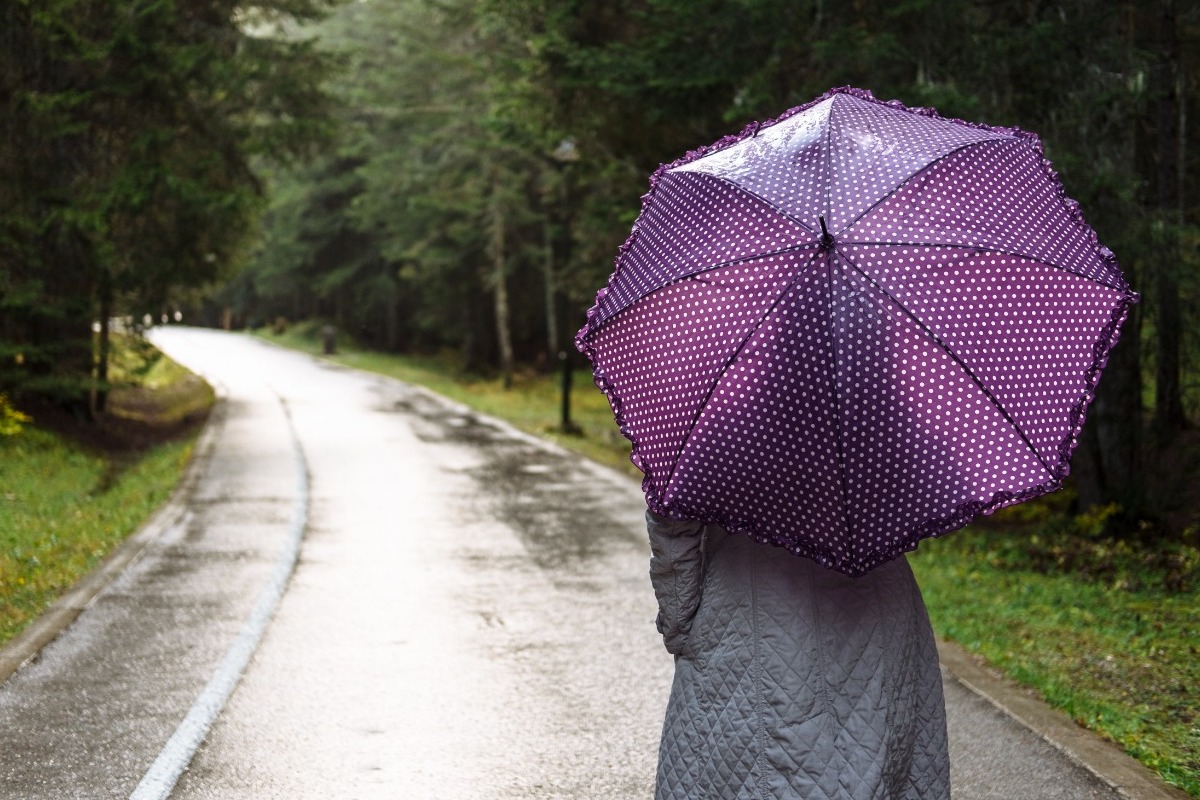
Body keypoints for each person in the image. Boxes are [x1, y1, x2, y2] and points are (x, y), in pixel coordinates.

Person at [647, 511, 950, 800]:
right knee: (871, 751)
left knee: (762, 767)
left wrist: (681, 625)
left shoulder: (714, 456)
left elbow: (673, 527)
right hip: (879, 593)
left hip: (752, 603)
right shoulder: (872, 457)